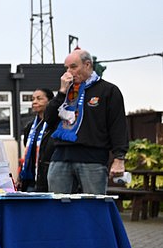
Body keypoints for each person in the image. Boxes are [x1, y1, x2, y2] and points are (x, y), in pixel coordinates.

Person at [43, 48, 128, 194]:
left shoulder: (108, 90)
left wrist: (119, 158)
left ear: (87, 65)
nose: (69, 72)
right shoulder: (67, 91)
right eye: (67, 68)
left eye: (73, 67)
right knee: (58, 206)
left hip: (92, 159)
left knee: (93, 207)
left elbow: (118, 126)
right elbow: (49, 119)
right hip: (61, 156)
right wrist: (62, 92)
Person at [16, 88, 55, 192]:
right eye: (33, 99)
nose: (34, 102)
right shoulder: (30, 127)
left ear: (50, 101)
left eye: (39, 99)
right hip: (29, 180)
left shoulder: (54, 125)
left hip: (46, 179)